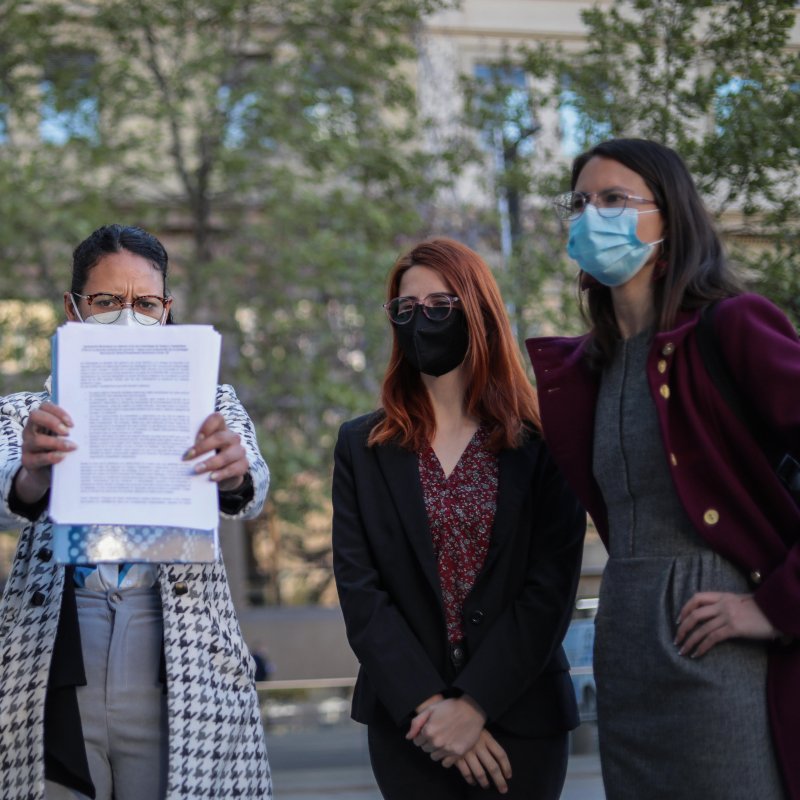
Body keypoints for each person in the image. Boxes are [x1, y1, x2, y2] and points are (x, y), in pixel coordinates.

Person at [526, 138, 800, 800]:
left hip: (720, 645)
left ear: (670, 218)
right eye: (580, 202)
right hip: (624, 646)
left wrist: (777, 606)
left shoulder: (732, 326)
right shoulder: (587, 368)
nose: (593, 215)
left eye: (615, 199)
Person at [0, 224, 272, 800]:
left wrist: (234, 472)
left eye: (146, 304)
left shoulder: (210, 403)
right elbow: (6, 489)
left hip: (178, 659)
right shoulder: (25, 414)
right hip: (56, 658)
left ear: (166, 311)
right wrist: (32, 475)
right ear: (73, 309)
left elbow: (253, 482)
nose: (128, 318)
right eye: (106, 301)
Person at [332, 238, 585, 799]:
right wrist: (430, 707)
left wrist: (473, 706)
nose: (420, 320)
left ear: (478, 311)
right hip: (409, 724)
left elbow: (550, 587)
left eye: (440, 306)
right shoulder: (361, 445)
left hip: (522, 717)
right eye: (405, 308)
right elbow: (360, 589)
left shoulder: (544, 441)